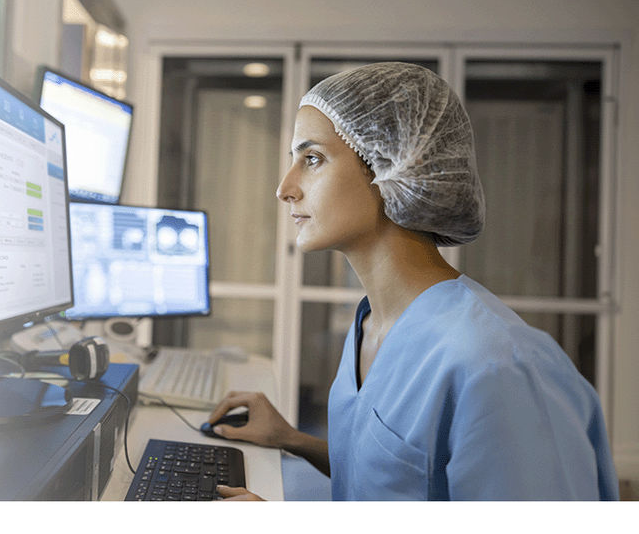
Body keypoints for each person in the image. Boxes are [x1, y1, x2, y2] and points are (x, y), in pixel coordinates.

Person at [208, 62, 619, 501]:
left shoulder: (501, 368)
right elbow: (403, 479)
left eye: (312, 159)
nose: (285, 188)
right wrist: (293, 439)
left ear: (396, 165)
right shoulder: (373, 323)